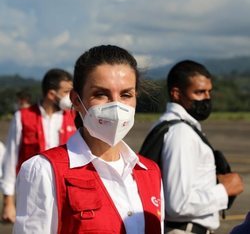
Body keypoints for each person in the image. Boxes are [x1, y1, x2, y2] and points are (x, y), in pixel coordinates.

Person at [13, 45, 164, 234]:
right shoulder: (44, 171)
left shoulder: (150, 172)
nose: (116, 105)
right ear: (76, 100)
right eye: (101, 94)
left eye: (126, 94)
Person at [146, 60, 243, 234]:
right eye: (199, 92)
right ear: (176, 93)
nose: (206, 98)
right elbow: (177, 205)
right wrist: (224, 190)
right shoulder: (181, 133)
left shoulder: (167, 125)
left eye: (209, 92)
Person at [0, 68, 76, 223]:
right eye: (67, 92)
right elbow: (10, 159)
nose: (71, 97)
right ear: (51, 94)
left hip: (67, 193)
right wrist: (8, 202)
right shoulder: (22, 117)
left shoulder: (75, 117)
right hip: (31, 194)